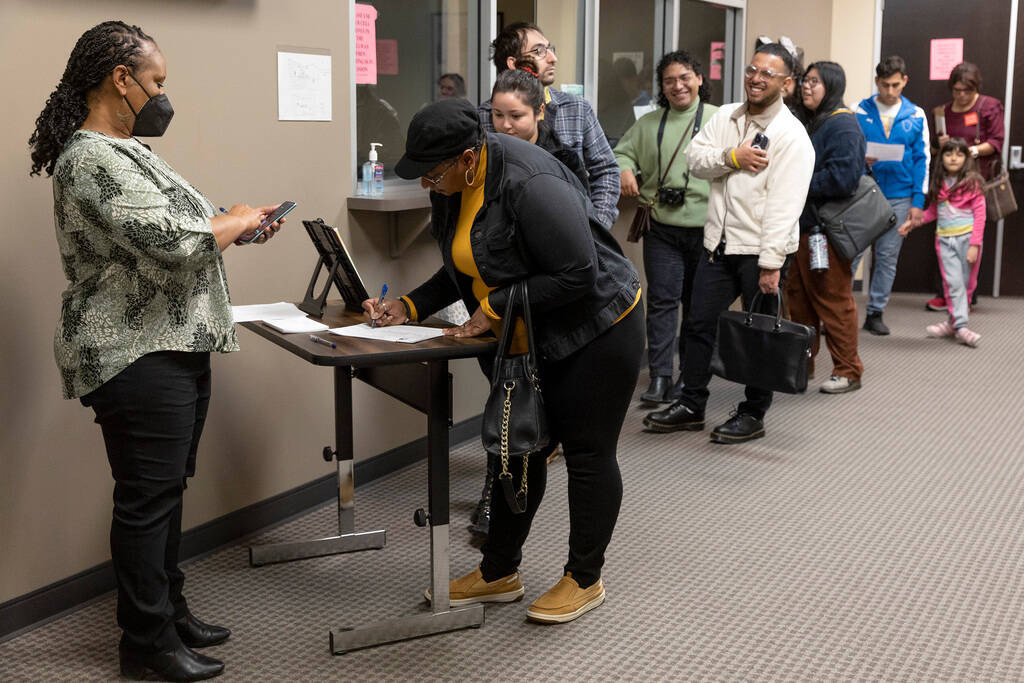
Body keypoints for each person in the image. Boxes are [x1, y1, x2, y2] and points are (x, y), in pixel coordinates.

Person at [29, 21, 286, 682]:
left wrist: (237, 222)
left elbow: (191, 227)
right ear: (121, 79)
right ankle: (144, 642)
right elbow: (176, 239)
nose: (163, 95)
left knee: (166, 491)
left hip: (174, 346)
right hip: (133, 353)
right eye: (157, 82)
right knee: (147, 499)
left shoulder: (130, 151)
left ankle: (169, 610)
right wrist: (233, 219)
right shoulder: (89, 157)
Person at [364, 98, 643, 624]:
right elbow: (463, 265)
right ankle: (499, 573)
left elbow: (578, 272)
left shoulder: (528, 180)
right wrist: (409, 305)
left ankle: (584, 578)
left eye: (432, 174)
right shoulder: (455, 186)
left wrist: (492, 307)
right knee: (517, 450)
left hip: (598, 326)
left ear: (468, 158)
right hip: (528, 332)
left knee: (586, 455)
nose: (427, 184)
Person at [643, 43, 814, 443]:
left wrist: (772, 262)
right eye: (753, 70)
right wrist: (734, 156)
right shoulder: (726, 116)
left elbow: (784, 206)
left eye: (767, 74)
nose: (756, 78)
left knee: (760, 335)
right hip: (717, 245)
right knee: (699, 326)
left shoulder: (791, 137)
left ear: (786, 84)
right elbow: (695, 160)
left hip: (761, 251)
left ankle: (753, 413)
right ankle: (691, 404)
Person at [614, 50, 717, 404]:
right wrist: (625, 169)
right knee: (661, 303)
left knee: (697, 306)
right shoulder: (649, 123)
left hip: (708, 232)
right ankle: (660, 376)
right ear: (662, 86)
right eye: (670, 80)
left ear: (699, 80)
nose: (678, 86)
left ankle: (690, 376)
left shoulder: (720, 120)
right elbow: (620, 152)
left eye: (685, 77)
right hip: (662, 229)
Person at [479, 22, 621, 230]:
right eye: (539, 51)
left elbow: (606, 170)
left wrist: (595, 228)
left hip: (571, 233)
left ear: (540, 112)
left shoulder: (576, 109)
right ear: (514, 63)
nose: (553, 58)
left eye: (550, 49)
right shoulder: (483, 117)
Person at [786, 61, 866, 394]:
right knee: (799, 302)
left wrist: (793, 183)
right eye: (805, 81)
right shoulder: (812, 122)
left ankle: (848, 370)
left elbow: (843, 180)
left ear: (832, 86)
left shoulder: (843, 125)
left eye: (815, 82)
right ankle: (801, 368)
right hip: (800, 227)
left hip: (826, 232)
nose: (806, 86)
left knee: (833, 301)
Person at [852, 56, 930, 336]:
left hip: (899, 195)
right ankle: (840, 310)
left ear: (904, 81)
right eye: (884, 85)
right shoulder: (859, 110)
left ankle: (875, 312)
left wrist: (918, 203)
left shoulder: (916, 114)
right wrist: (862, 162)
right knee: (852, 253)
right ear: (877, 82)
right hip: (864, 192)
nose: (889, 91)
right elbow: (850, 151)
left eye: (895, 85)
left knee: (886, 257)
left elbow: (923, 160)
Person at [925, 62, 1004, 313]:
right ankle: (945, 293)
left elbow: (996, 142)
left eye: (966, 91)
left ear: (976, 88)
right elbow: (934, 149)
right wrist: (942, 145)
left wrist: (967, 151)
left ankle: (968, 294)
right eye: (957, 90)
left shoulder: (988, 107)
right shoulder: (942, 112)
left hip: (974, 181)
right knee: (944, 237)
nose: (961, 95)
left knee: (972, 238)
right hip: (946, 181)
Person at [900, 138, 985, 347]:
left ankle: (952, 323)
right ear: (942, 158)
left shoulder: (972, 183)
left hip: (968, 241)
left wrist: (974, 245)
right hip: (945, 242)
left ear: (966, 158)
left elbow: (980, 216)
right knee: (953, 284)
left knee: (966, 285)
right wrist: (913, 223)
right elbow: (933, 213)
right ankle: (962, 327)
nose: (953, 158)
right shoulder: (939, 183)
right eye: (948, 154)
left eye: (958, 154)